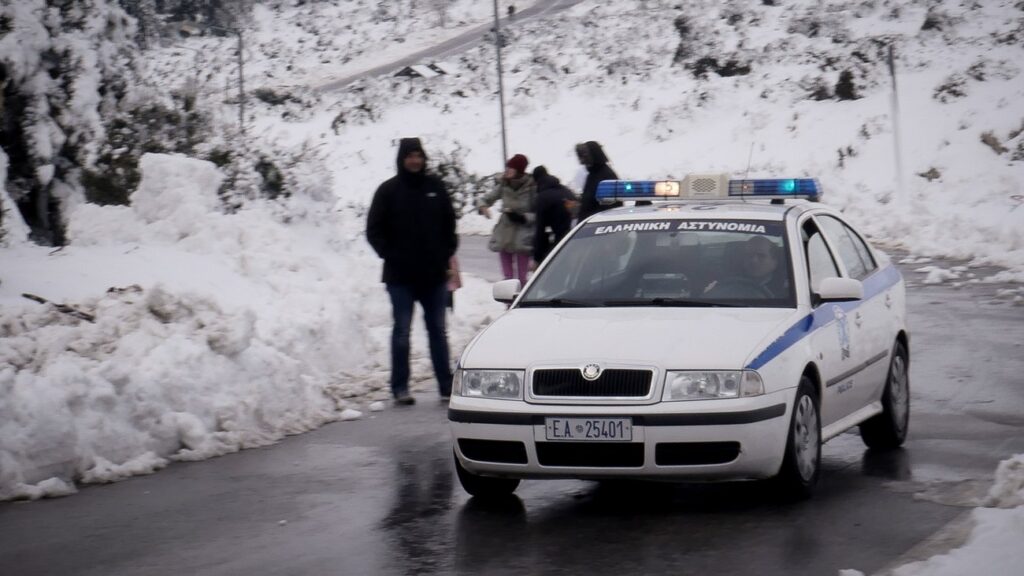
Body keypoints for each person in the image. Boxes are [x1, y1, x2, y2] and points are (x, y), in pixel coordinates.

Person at [366, 138, 457, 405]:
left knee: (438, 332)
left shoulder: (436, 188)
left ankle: (445, 385)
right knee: (402, 332)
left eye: (418, 155)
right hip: (400, 278)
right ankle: (400, 387)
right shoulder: (388, 191)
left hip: (433, 277)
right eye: (410, 156)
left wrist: (445, 253)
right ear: (402, 159)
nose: (415, 160)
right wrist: (390, 255)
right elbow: (374, 231)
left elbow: (450, 225)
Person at [477, 154, 537, 286]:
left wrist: (523, 217)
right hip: (504, 233)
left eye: (511, 168)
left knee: (522, 278)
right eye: (507, 167)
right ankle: (508, 305)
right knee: (508, 278)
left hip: (522, 236)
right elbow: (485, 198)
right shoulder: (504, 184)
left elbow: (538, 213)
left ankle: (520, 304)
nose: (507, 171)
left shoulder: (532, 187)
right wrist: (483, 207)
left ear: (519, 170)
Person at [531, 165, 576, 266]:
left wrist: (537, 258)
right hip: (577, 238)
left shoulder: (542, 197)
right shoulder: (565, 190)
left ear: (536, 181)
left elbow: (540, 229)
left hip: (560, 244)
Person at [575, 141, 620, 222]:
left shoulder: (606, 176)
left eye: (585, 155)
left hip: (600, 227)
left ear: (594, 154)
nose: (583, 161)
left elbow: (610, 208)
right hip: (591, 227)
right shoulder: (592, 175)